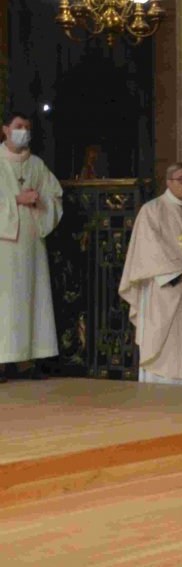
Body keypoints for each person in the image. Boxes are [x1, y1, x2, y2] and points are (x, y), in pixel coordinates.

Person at [118, 162, 182, 385]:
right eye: (181, 179)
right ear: (169, 182)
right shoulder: (152, 210)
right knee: (164, 348)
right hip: (166, 290)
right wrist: (179, 273)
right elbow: (149, 249)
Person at [1, 110, 63, 383]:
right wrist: (15, 200)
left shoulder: (37, 164)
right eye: (18, 126)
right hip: (4, 246)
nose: (23, 130)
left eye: (27, 126)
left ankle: (30, 359)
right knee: (5, 302)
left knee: (33, 299)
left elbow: (55, 198)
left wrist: (39, 202)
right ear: (5, 129)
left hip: (31, 244)